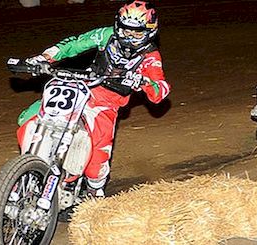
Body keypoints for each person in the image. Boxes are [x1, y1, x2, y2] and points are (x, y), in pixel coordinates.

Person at [19, 0, 171, 197]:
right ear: (118, 26)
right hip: (83, 85)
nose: (130, 36)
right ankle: (29, 168)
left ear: (149, 31)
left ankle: (94, 191)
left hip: (107, 101)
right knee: (28, 118)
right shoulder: (107, 34)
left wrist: (143, 82)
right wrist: (44, 57)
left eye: (137, 32)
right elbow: (76, 43)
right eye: (125, 30)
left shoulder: (150, 56)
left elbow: (161, 89)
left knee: (96, 159)